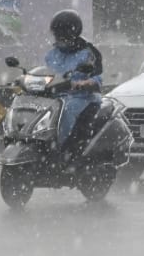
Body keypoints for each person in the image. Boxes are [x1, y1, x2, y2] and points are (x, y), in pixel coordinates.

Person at [44, 9, 102, 159]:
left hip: (81, 98)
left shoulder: (88, 52)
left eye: (63, 34)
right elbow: (46, 74)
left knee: (66, 110)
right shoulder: (52, 54)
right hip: (55, 97)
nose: (59, 38)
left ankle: (60, 148)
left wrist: (82, 83)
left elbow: (97, 80)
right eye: (57, 34)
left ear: (73, 33)